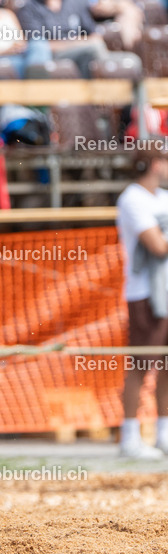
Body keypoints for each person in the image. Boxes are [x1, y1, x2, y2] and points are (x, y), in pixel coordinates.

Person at [114, 147, 168, 460]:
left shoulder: (161, 197)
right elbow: (158, 246)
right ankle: (130, 436)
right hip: (145, 293)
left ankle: (163, 433)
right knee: (141, 365)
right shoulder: (132, 198)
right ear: (151, 164)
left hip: (165, 290)